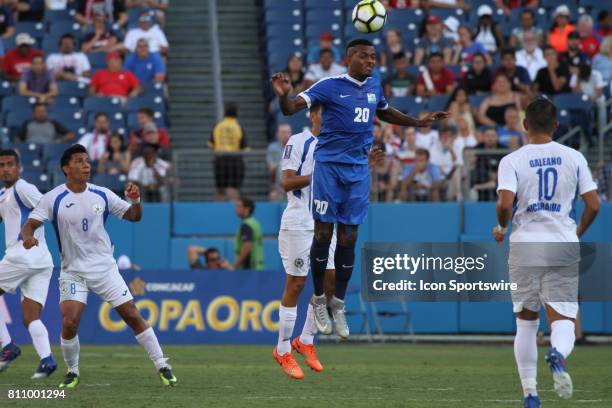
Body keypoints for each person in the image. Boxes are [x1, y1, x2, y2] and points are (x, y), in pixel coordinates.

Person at [270, 38, 448, 338]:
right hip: (328, 166)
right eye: (365, 56)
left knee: (349, 237)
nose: (371, 61)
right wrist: (284, 95)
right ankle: (318, 301)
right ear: (349, 58)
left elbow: (386, 111)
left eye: (374, 57)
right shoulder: (328, 85)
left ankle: (337, 302)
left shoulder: (374, 86)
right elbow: (290, 109)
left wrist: (418, 122)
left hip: (357, 170)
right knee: (324, 233)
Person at [21, 144, 177, 388]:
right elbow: (30, 224)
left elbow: (134, 216)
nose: (86, 165)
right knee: (70, 321)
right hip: (73, 271)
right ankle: (72, 371)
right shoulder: (53, 198)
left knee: (132, 315)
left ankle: (162, 364)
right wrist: (28, 236)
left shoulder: (102, 194)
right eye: (80, 161)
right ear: (66, 168)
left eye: (88, 161)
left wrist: (135, 201)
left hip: (105, 269)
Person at [494, 97, 599, 408]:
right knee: (563, 317)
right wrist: (576, 232)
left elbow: (503, 204)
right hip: (562, 242)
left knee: (526, 322)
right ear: (556, 125)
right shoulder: (574, 156)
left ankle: (530, 394)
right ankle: (558, 353)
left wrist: (501, 227)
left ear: (525, 125)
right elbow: (593, 205)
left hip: (526, 243)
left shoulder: (512, 160)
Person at [273, 105, 336, 379]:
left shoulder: (337, 145)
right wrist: (317, 176)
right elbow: (286, 183)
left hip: (325, 221)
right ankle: (283, 348)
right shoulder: (298, 141)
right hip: (299, 220)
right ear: (313, 115)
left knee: (331, 281)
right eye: (325, 112)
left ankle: (306, 341)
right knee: (297, 283)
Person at [0, 149, 56, 378]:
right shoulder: (5, 193)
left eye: (10, 164)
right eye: (1, 165)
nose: (6, 168)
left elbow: (47, 208)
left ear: (19, 167)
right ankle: (47, 360)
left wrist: (30, 231)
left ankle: (7, 347)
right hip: (41, 261)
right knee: (30, 316)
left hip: (23, 254)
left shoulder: (23, 188)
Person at [209, 102, 248, 201]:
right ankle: (233, 211)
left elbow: (211, 145)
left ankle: (216, 210)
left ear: (224, 112)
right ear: (237, 112)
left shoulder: (217, 126)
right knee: (233, 188)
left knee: (220, 189)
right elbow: (245, 148)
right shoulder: (238, 127)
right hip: (235, 161)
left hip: (219, 160)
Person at [234, 197, 263, 270]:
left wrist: (235, 266)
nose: (236, 209)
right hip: (258, 266)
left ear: (247, 209)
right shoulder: (255, 223)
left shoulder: (246, 225)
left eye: (239, 206)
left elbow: (247, 247)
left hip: (249, 268)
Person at [266, 123, 291, 201]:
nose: (286, 135)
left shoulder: (296, 147)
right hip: (277, 183)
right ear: (277, 134)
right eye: (283, 132)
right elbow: (271, 167)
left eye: (288, 132)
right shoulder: (272, 147)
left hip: (292, 181)